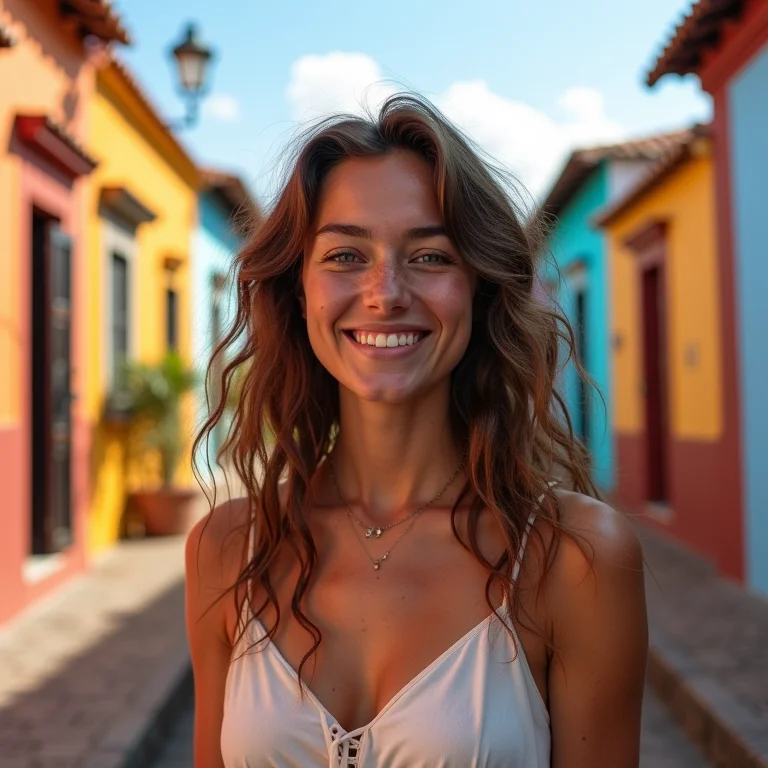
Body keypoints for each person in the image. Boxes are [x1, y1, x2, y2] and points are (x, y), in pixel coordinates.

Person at [186, 93, 648, 768]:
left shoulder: (574, 558)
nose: (386, 292)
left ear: (478, 288)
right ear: (298, 291)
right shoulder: (227, 550)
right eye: (345, 255)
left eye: (430, 257)